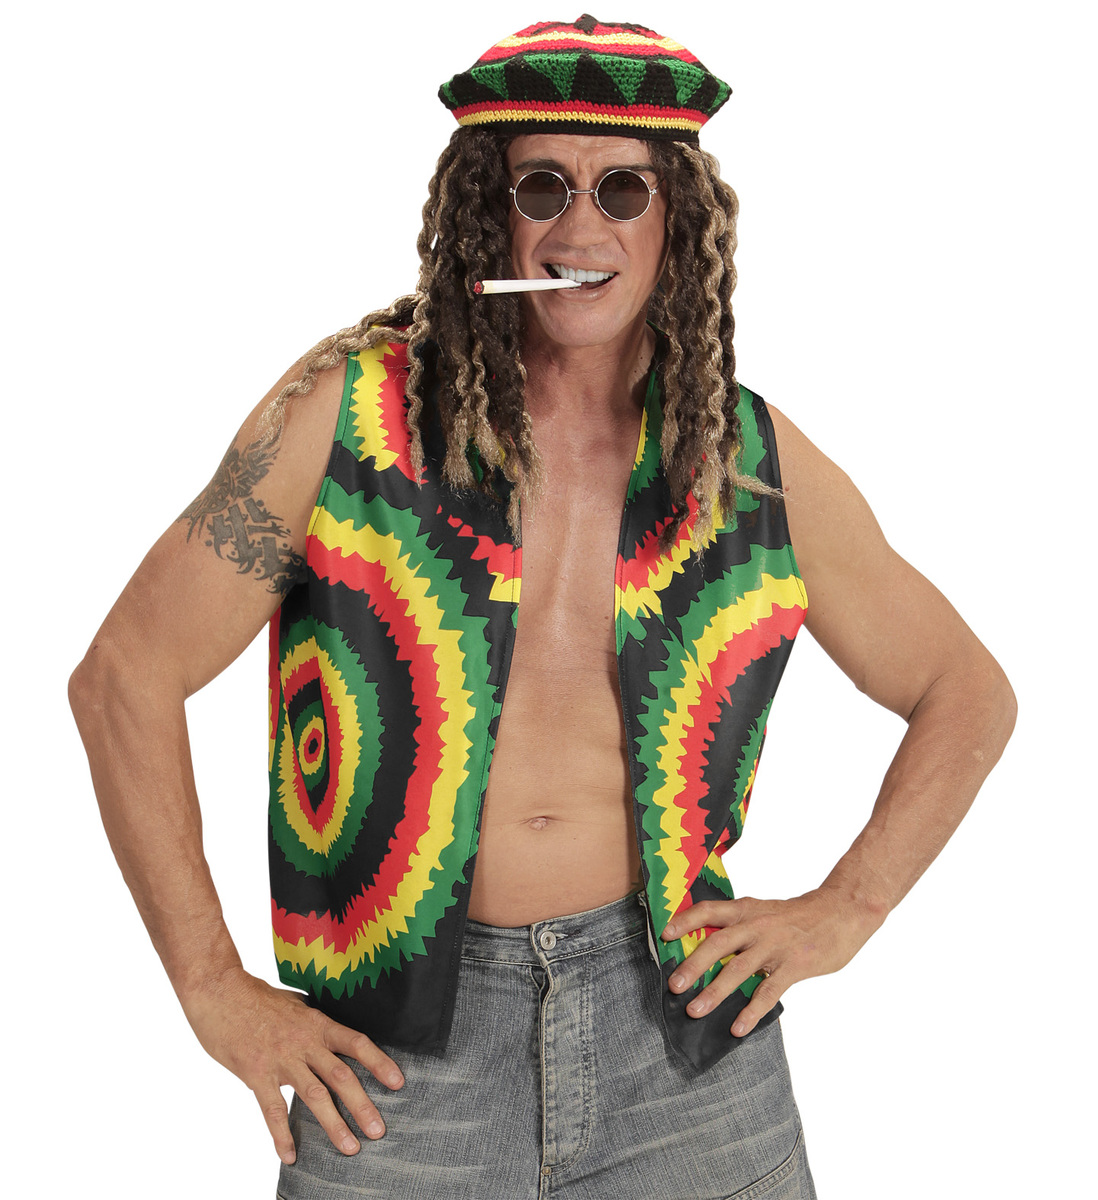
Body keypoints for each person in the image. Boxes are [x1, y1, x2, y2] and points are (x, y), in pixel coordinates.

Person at [69, 14, 1016, 1199]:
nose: (580, 228)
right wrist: (212, 989)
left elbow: (965, 690)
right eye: (542, 186)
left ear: (677, 224)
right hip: (397, 1054)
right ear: (489, 212)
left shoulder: (747, 463)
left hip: (682, 1040)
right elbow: (124, 677)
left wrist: (849, 908)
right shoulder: (347, 421)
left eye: (623, 188)